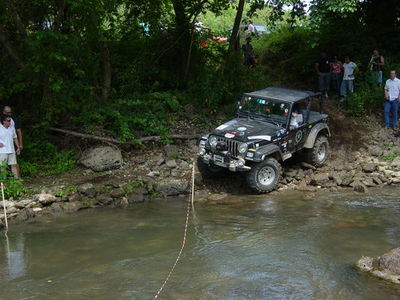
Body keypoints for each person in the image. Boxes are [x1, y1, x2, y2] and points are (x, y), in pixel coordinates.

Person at [3, 106, 23, 176]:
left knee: (14, 163)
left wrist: (20, 144)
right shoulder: (1, 122)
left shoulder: (13, 120)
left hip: (12, 144)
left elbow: (18, 132)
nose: (9, 114)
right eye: (7, 112)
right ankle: (3, 184)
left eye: (10, 112)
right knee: (2, 166)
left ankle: (17, 181)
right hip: (2, 148)